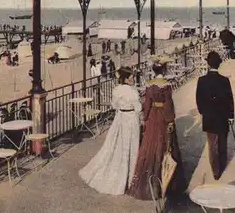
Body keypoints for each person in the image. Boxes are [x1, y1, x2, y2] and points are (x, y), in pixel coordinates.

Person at [127, 58, 186, 200]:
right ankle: (165, 181)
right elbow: (168, 104)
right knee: (165, 145)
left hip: (153, 115)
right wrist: (170, 120)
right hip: (162, 117)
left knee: (150, 145)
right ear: (164, 70)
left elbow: (147, 103)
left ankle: (149, 181)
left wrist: (145, 117)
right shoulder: (166, 85)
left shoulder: (149, 85)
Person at [79, 66, 141, 195]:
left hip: (120, 118)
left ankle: (119, 175)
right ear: (126, 78)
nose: (132, 79)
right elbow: (138, 108)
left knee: (119, 146)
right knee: (131, 146)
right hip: (130, 119)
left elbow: (114, 105)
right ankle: (128, 178)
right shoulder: (133, 91)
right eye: (131, 77)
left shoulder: (117, 90)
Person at [196, 51, 234, 180]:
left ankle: (215, 172)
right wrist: (231, 116)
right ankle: (222, 166)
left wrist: (203, 112)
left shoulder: (202, 81)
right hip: (222, 117)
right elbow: (230, 99)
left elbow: (198, 100)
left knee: (212, 144)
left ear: (208, 64)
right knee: (222, 142)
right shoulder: (224, 80)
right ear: (218, 65)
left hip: (209, 117)